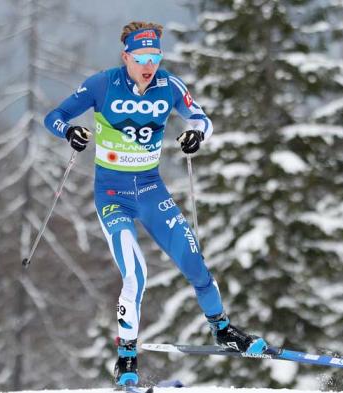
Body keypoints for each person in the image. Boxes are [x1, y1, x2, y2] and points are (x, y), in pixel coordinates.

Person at [44, 21, 267, 387]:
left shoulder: (169, 86)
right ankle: (127, 359)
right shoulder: (103, 84)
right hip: (113, 195)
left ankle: (222, 329)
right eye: (141, 57)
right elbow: (53, 116)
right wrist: (70, 131)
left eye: (155, 56)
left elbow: (202, 118)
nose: (149, 65)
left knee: (195, 263)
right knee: (135, 274)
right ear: (126, 57)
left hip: (151, 191)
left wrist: (197, 132)